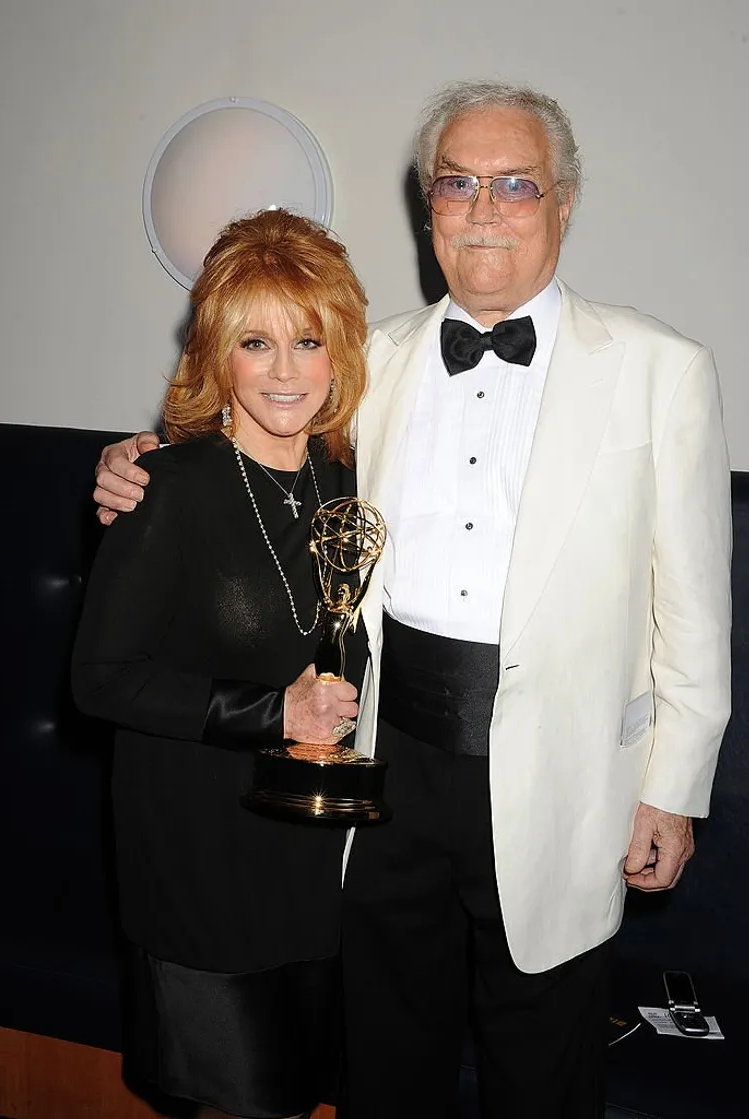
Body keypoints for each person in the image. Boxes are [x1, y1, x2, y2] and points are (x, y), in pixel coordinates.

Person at [94, 82, 732, 1119]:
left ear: (563, 203)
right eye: (457, 183)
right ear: (427, 207)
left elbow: (697, 608)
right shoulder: (368, 364)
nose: (485, 207)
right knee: (390, 1059)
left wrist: (674, 788)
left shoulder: (663, 371)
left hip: (565, 783)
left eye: (516, 184)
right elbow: (248, 429)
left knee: (545, 1072)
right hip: (385, 768)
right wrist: (138, 456)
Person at [73, 208, 370, 1119]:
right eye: (255, 341)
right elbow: (100, 678)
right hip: (201, 853)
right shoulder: (165, 487)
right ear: (218, 354)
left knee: (296, 1096)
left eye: (307, 340)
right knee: (240, 1101)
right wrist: (269, 712)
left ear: (340, 352)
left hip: (320, 857)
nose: (285, 371)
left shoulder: (350, 480)